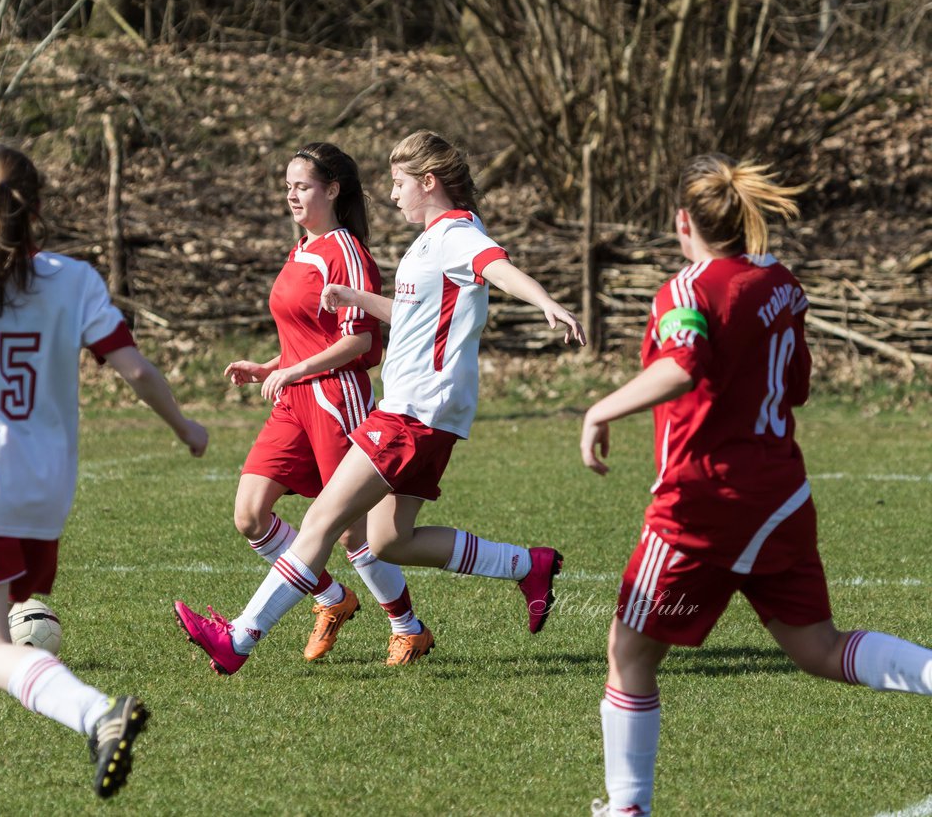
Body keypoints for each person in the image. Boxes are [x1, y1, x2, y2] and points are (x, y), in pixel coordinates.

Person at [580, 154, 932, 816]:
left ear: (682, 221)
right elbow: (795, 383)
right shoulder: (781, 282)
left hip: (704, 503)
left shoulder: (687, 292)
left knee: (629, 654)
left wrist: (600, 408)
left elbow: (683, 366)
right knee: (820, 648)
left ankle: (626, 808)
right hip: (781, 496)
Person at [174, 130, 585, 675]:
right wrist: (353, 298)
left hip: (413, 411)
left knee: (323, 522)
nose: (391, 195)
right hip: (424, 411)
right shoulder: (433, 238)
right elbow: (415, 316)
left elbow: (495, 265)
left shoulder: (455, 233)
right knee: (389, 539)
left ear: (429, 182)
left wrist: (547, 302)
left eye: (399, 183)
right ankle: (526, 565)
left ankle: (239, 640)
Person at [0, 144, 208, 815]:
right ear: (38, 207)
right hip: (45, 493)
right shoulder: (75, 280)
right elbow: (137, 370)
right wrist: (184, 427)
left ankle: (97, 716)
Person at [222, 142, 433, 666]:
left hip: (338, 399)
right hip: (293, 398)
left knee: (352, 531)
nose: (292, 195)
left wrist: (293, 369)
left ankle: (408, 628)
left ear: (333, 190)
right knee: (250, 514)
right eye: (288, 186)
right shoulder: (302, 247)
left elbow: (359, 341)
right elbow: (306, 333)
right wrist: (272, 367)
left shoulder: (348, 252)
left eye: (303, 186)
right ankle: (332, 599)